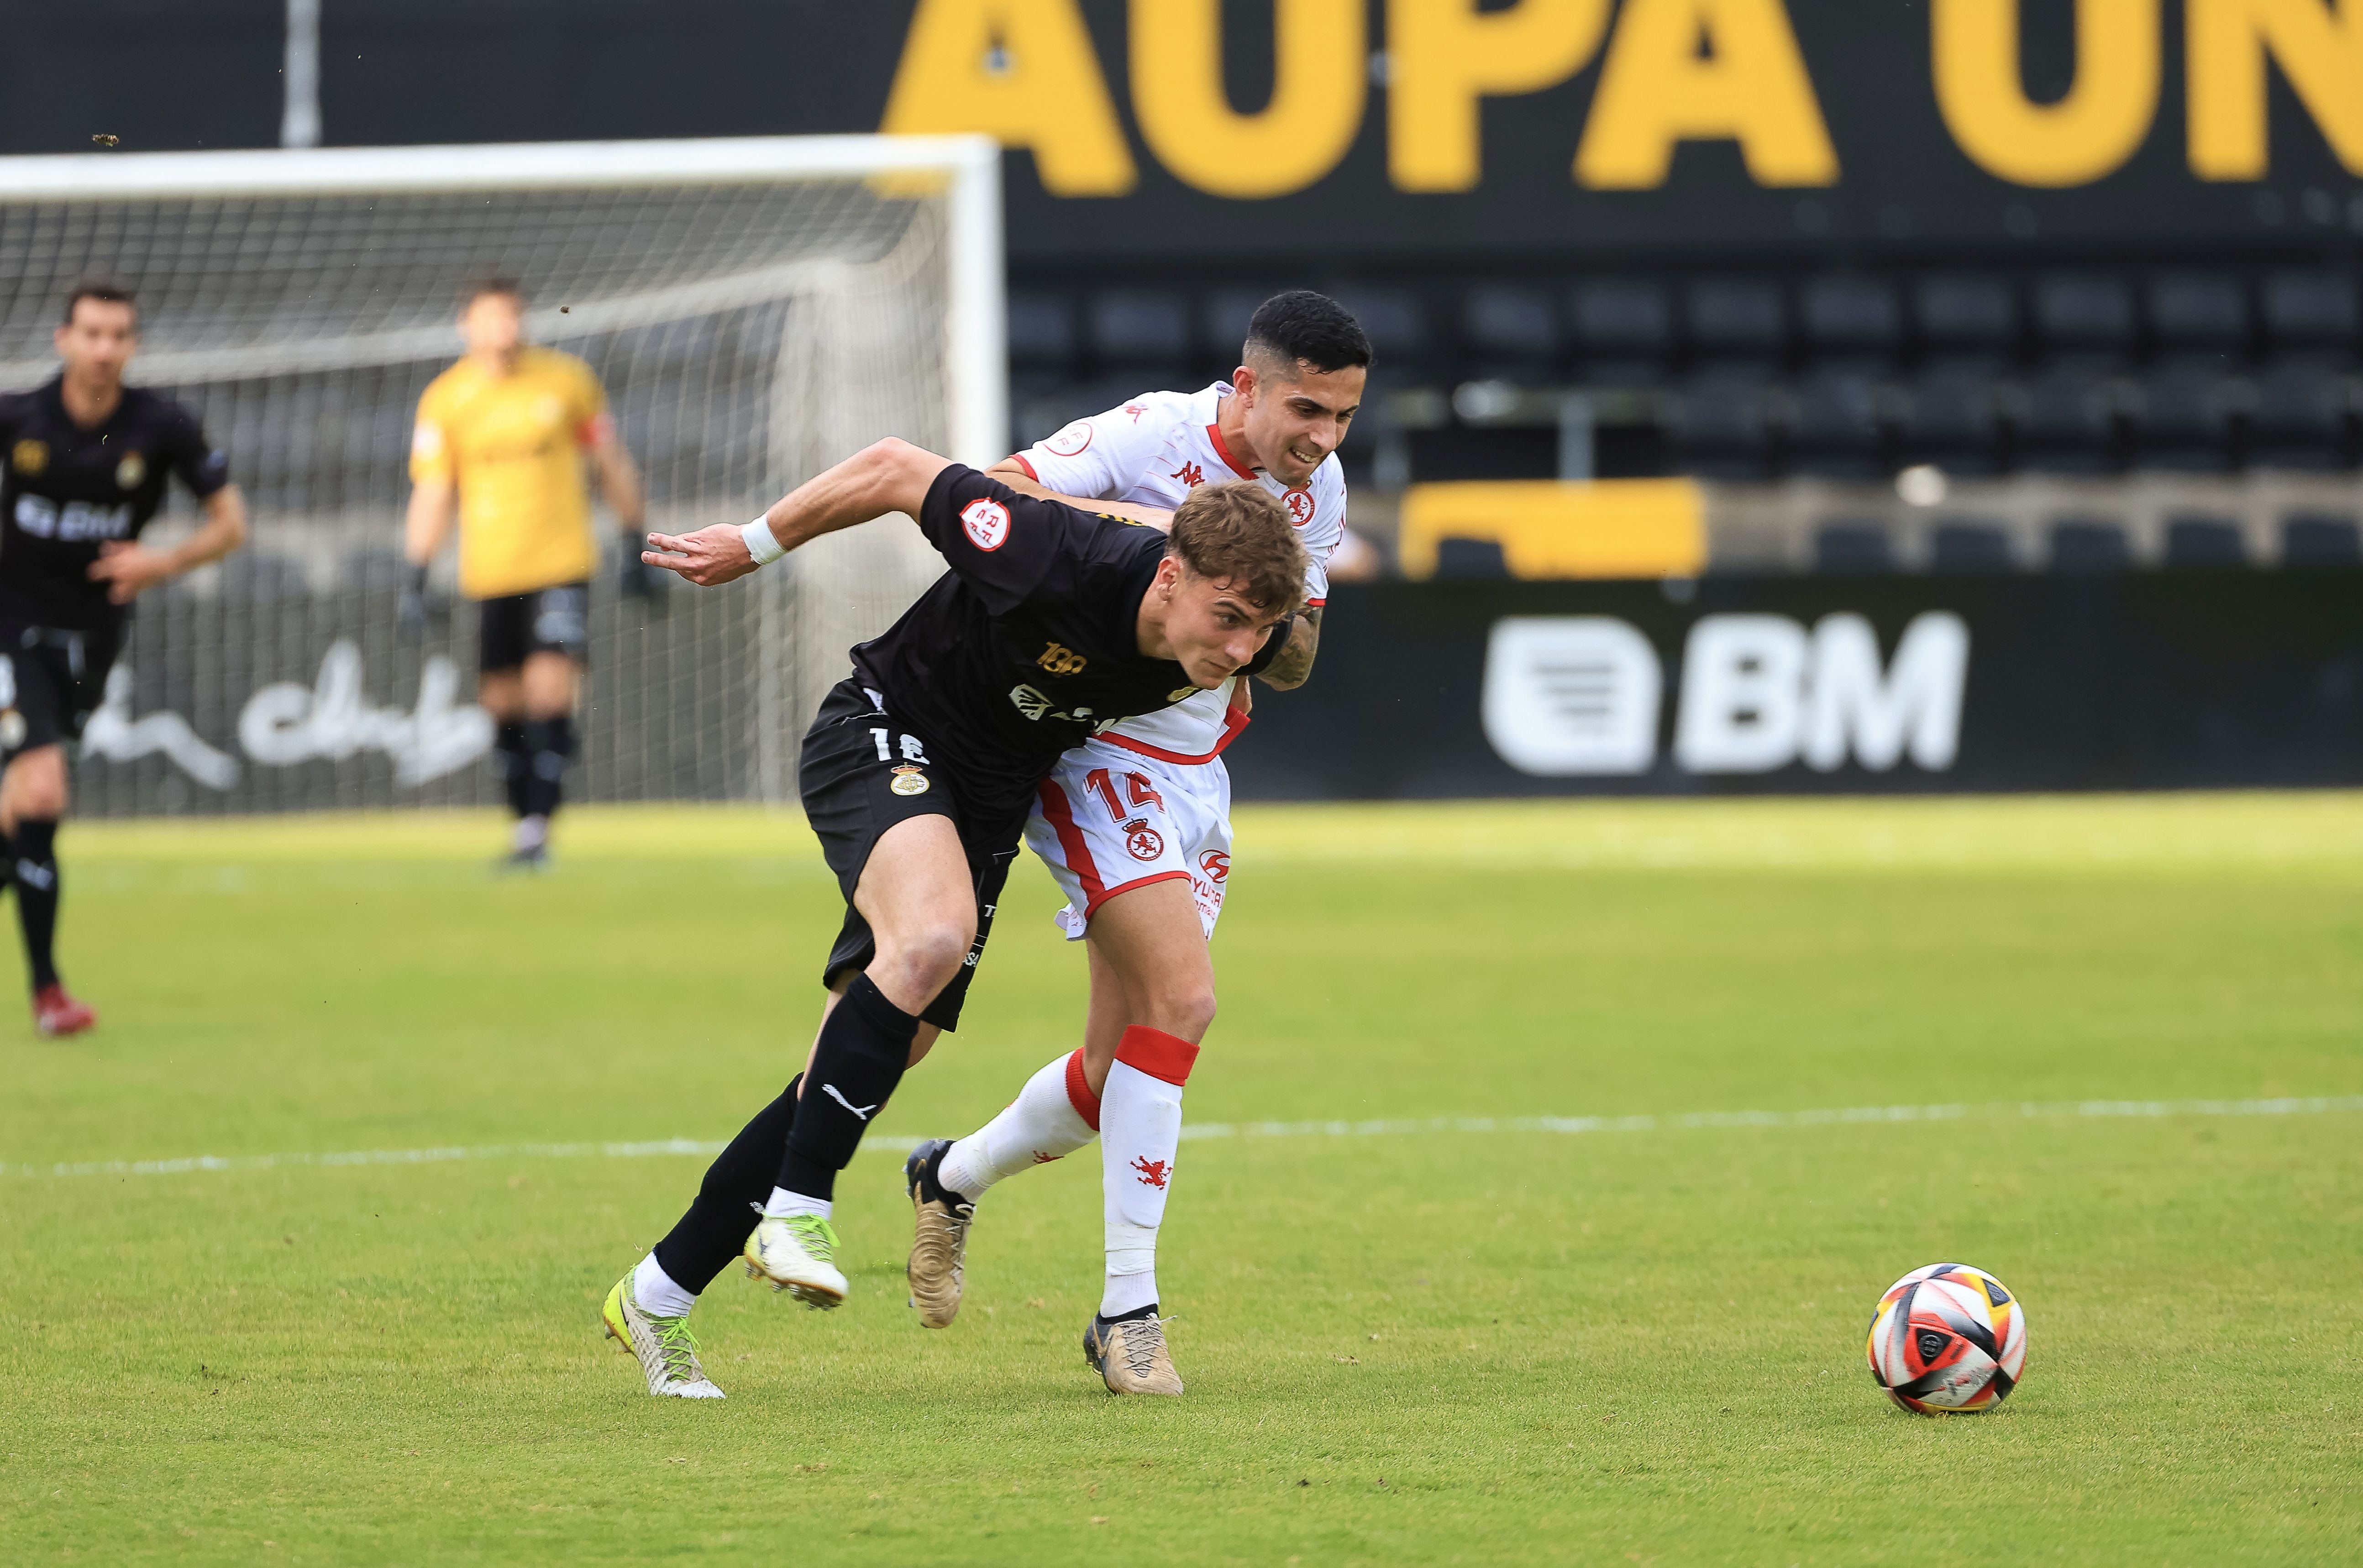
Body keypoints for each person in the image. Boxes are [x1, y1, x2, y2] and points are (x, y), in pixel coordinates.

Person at [597, 437, 1305, 1401]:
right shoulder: (1052, 551)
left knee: (886, 1046)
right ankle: (799, 1207)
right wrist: (752, 544)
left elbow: (1281, 623)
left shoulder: (1239, 632)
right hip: (885, 728)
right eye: (1222, 620)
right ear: (1171, 575)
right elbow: (893, 467)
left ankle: (658, 1290)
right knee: (928, 938)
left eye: (1253, 634)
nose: (1233, 653)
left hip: (984, 802)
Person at [900, 291, 1367, 1395]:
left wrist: (1274, 608)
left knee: (1121, 1064)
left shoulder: (1321, 489)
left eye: (1344, 417)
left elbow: (1294, 661)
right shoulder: (1151, 432)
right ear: (1245, 386)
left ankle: (949, 1175)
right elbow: (998, 495)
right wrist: (1160, 539)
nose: (1324, 439)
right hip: (1094, 748)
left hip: (1196, 768)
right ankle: (1127, 1313)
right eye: (1307, 409)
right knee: (1185, 1000)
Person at [0, 283, 247, 1036]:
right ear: (63, 340)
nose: (105, 348)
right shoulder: (18, 416)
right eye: (92, 333)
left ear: (132, 346)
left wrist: (161, 563)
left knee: (20, 815)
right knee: (43, 792)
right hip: (11, 624)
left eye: (119, 336)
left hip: (95, 636)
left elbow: (232, 523)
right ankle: (50, 994)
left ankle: (45, 988)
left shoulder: (161, 425)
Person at [401, 278, 648, 868]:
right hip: (490, 573)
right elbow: (434, 491)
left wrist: (636, 535)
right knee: (502, 704)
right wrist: (416, 573)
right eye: (491, 320)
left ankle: (539, 829)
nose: (504, 332)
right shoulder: (446, 400)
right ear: (468, 325)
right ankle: (525, 828)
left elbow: (608, 460)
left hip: (561, 564)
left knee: (550, 686)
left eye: (512, 319)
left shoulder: (567, 382)